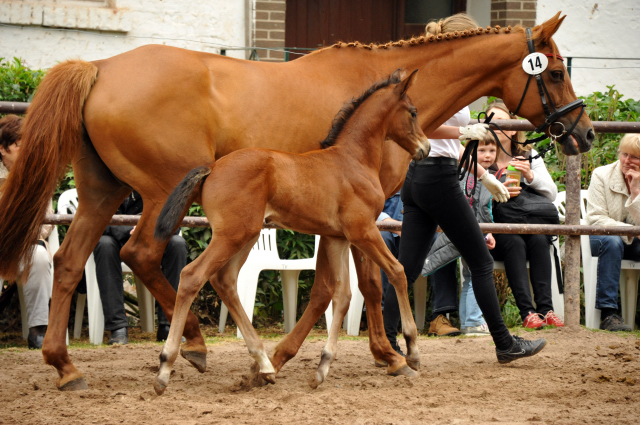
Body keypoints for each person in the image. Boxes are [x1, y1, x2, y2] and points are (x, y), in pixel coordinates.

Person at [383, 13, 546, 363]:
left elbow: (449, 143)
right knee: (482, 262)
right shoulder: (438, 79)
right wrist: (462, 132)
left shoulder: (442, 76)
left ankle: (385, 341)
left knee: (407, 268)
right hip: (437, 179)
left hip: (422, 177)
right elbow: (422, 125)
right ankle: (504, 344)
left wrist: (482, 174)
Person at [486, 101, 564, 329]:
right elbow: (466, 193)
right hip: (496, 232)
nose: (493, 126)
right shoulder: (480, 153)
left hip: (527, 221)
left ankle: (546, 310)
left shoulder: (528, 153)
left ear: (512, 129)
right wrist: (496, 192)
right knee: (512, 239)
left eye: (500, 122)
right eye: (489, 122)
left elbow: (551, 193)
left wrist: (530, 175)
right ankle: (527, 312)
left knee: (540, 239)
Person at [423, 132, 500, 336]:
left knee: (470, 275)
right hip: (466, 231)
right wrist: (485, 233)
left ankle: (469, 322)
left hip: (471, 231)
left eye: (492, 151)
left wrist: (488, 232)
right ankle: (474, 321)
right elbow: (476, 209)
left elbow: (481, 210)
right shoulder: (471, 176)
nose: (487, 155)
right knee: (478, 270)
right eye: (481, 150)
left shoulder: (479, 174)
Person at [94, 191, 188, 344]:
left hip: (153, 240)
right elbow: (98, 221)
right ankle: (118, 328)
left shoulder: (159, 183)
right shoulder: (108, 180)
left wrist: (146, 229)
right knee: (104, 244)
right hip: (117, 242)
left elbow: (174, 223)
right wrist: (131, 231)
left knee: (177, 244)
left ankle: (169, 325)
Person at [0, 114, 53, 349]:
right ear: (3, 148)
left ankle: (38, 330)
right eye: (21, 146)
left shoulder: (37, 174)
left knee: (39, 257)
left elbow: (47, 220)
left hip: (24, 244)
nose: (28, 151)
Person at [585, 133, 640, 331]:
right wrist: (631, 231)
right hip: (602, 238)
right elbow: (596, 218)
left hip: (632, 242)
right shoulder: (601, 174)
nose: (627, 161)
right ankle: (608, 315)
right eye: (624, 154)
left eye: (634, 157)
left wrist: (636, 192)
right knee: (613, 241)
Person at [378, 190, 403, 311]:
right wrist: (392, 224)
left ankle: (440, 314)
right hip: (385, 231)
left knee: (442, 241)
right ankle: (381, 311)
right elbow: (362, 207)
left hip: (419, 232)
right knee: (381, 238)